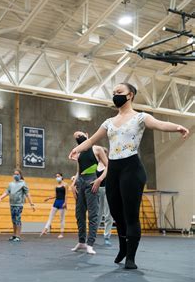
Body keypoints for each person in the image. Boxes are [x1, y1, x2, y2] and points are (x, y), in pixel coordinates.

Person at [69, 82, 189, 269]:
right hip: (114, 170)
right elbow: (92, 140)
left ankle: (131, 257)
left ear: (130, 95)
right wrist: (76, 149)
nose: (116, 95)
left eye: (120, 92)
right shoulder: (108, 122)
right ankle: (123, 247)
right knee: (117, 214)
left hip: (132, 169)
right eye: (114, 92)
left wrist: (177, 127)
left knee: (131, 215)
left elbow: (159, 124)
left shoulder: (140, 117)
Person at [70, 131, 108, 255]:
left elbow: (109, 166)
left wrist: (99, 179)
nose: (77, 136)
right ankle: (81, 241)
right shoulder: (79, 153)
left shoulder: (97, 149)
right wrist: (72, 184)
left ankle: (90, 243)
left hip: (92, 181)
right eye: (75, 136)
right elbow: (78, 171)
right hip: (80, 182)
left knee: (93, 215)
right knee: (79, 214)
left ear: (87, 134)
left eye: (79, 134)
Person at [0, 169, 36, 242]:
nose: (16, 175)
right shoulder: (11, 184)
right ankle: (14, 235)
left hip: (19, 204)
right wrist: (0, 198)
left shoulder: (23, 183)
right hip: (12, 204)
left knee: (18, 220)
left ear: (20, 175)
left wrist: (32, 204)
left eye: (17, 174)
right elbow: (6, 192)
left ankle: (18, 235)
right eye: (14, 174)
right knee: (13, 220)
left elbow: (27, 194)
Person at [96, 148, 114, 246]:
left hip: (108, 190)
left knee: (108, 214)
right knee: (97, 214)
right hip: (98, 191)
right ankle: (92, 235)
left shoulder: (109, 165)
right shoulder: (95, 165)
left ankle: (107, 236)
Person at [41, 172, 68, 238]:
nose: (57, 178)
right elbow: (56, 195)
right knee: (50, 216)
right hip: (56, 202)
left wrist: (65, 203)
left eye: (58, 176)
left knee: (61, 219)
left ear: (61, 177)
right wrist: (48, 198)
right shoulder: (56, 186)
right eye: (56, 176)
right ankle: (45, 229)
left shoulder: (65, 185)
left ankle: (61, 233)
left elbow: (66, 194)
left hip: (62, 202)